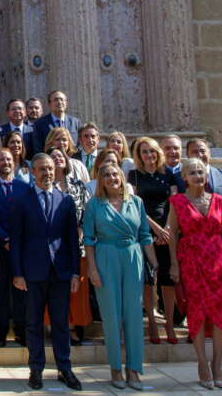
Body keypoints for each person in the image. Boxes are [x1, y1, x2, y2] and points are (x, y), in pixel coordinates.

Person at [84, 163, 158, 390]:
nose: (111, 178)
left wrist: (154, 263)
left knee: (134, 315)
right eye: (106, 175)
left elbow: (145, 235)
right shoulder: (94, 205)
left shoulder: (136, 202)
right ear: (101, 180)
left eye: (115, 174)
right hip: (106, 258)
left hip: (132, 257)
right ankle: (115, 368)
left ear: (122, 177)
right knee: (111, 315)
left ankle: (134, 370)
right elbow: (88, 239)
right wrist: (92, 269)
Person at [11, 153, 82, 391]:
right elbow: (17, 240)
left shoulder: (66, 200)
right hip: (33, 272)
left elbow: (72, 239)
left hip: (60, 272)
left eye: (50, 169)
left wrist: (75, 272)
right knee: (33, 323)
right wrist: (18, 273)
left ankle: (65, 368)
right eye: (42, 169)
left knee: (61, 323)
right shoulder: (22, 200)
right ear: (33, 172)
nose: (47, 173)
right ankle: (36, 369)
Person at [168, 157, 222, 389]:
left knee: (220, 313)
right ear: (185, 178)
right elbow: (173, 235)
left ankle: (218, 363)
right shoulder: (177, 201)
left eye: (201, 172)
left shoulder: (220, 201)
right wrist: (174, 264)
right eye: (193, 173)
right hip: (191, 261)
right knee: (197, 311)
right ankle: (201, 362)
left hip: (217, 261)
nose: (198, 176)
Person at [184, 138, 222, 348]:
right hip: (194, 245)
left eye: (202, 151)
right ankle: (196, 331)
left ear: (208, 152)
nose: (199, 155)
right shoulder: (182, 177)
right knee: (196, 292)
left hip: (221, 242)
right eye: (194, 152)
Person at [128, 136, 180, 345]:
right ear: (139, 156)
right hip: (145, 230)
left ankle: (168, 322)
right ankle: (151, 321)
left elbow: (174, 202)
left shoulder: (168, 174)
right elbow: (135, 203)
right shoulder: (134, 176)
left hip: (167, 230)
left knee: (168, 280)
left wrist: (167, 228)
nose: (149, 155)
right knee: (148, 281)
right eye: (144, 152)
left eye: (152, 151)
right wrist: (156, 229)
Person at [48, 146, 93, 345]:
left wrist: (80, 232)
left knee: (77, 289)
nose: (58, 158)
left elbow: (88, 211)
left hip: (77, 243)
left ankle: (74, 327)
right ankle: (59, 326)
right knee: (54, 289)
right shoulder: (43, 186)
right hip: (51, 247)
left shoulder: (78, 185)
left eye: (60, 155)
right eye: (53, 156)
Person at [0, 148, 29, 347]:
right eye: (1, 159)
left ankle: (21, 331)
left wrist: (17, 239)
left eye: (9, 159)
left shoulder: (25, 187)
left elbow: (29, 217)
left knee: (21, 291)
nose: (6, 162)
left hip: (21, 247)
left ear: (15, 161)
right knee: (0, 292)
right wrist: (4, 238)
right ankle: (0, 332)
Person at [31, 90, 82, 157]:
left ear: (66, 103)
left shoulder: (76, 122)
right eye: (56, 100)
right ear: (49, 104)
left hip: (72, 161)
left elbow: (80, 144)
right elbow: (38, 147)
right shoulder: (40, 124)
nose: (59, 102)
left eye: (62, 99)